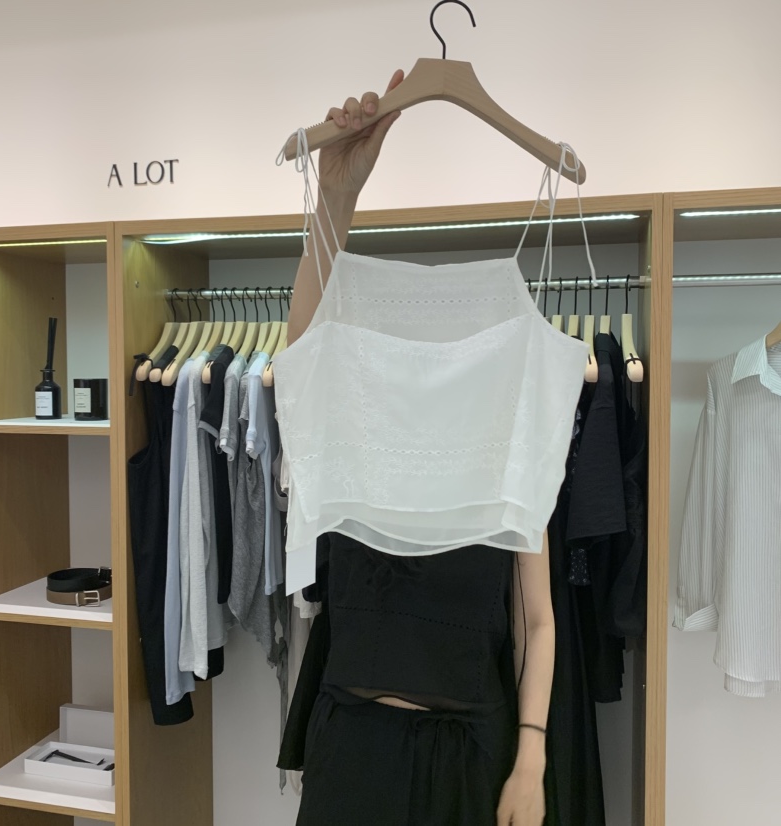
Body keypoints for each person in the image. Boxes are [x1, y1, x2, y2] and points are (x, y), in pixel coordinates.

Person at [282, 71, 554, 826]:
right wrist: (336, 197)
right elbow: (300, 363)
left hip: (470, 756)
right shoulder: (357, 440)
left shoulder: (505, 443)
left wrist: (532, 758)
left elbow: (537, 621)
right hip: (350, 749)